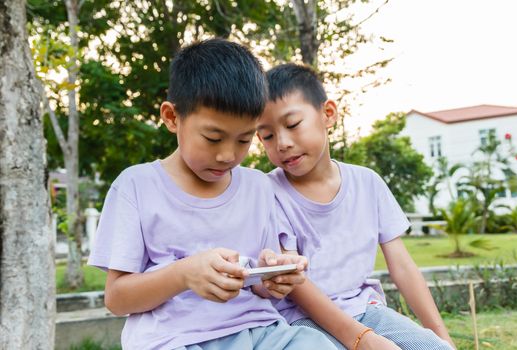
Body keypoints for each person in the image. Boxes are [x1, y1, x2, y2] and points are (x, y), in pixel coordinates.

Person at [88, 40, 338, 350]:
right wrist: (183, 275)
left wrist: (273, 277)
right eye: (213, 138)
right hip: (173, 340)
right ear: (171, 117)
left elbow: (260, 284)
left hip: (260, 332)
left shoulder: (258, 187)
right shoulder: (136, 186)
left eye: (244, 140)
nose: (227, 155)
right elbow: (117, 299)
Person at [256, 63, 455, 350]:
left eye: (292, 124)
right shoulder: (268, 192)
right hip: (300, 321)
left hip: (366, 311)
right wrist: (362, 341)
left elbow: (402, 267)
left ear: (328, 114)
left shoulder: (368, 182)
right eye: (267, 136)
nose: (283, 143)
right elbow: (294, 284)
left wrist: (441, 337)